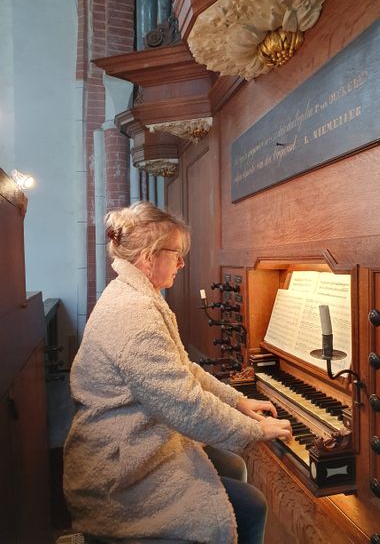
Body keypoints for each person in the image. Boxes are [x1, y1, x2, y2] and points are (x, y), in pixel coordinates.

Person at [63, 201, 292, 544]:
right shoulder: (135, 314)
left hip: (133, 438)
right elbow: (185, 404)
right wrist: (255, 429)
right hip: (117, 468)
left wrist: (237, 401)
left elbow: (183, 368)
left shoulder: (136, 294)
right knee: (251, 506)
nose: (182, 263)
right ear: (149, 257)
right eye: (177, 254)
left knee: (231, 466)